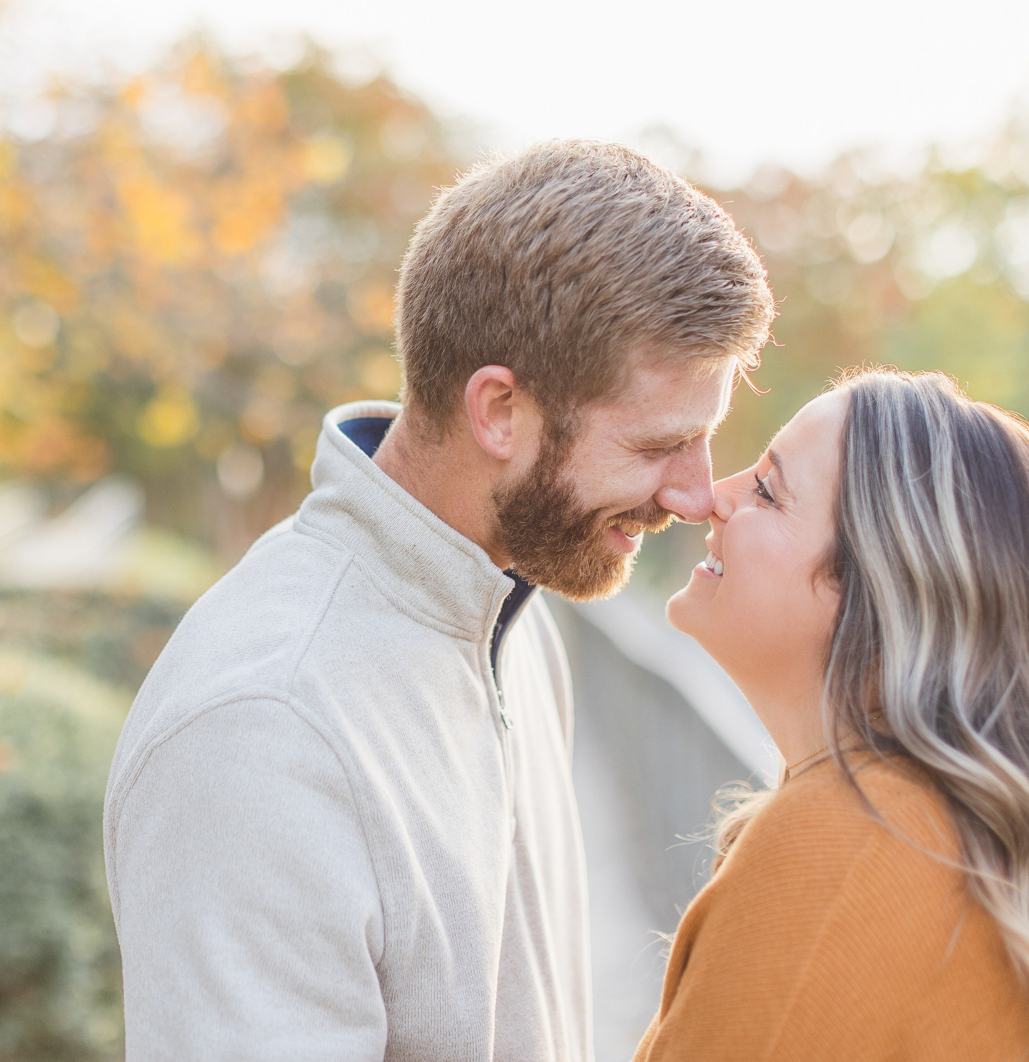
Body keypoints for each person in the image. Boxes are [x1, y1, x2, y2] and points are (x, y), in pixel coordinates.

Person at [102, 140, 773, 1060]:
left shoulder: (510, 609)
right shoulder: (265, 727)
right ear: (498, 410)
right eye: (659, 445)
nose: (694, 495)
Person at [636, 368, 1029, 1062]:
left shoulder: (844, 842)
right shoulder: (957, 846)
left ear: (882, 593)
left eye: (769, 491)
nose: (711, 497)